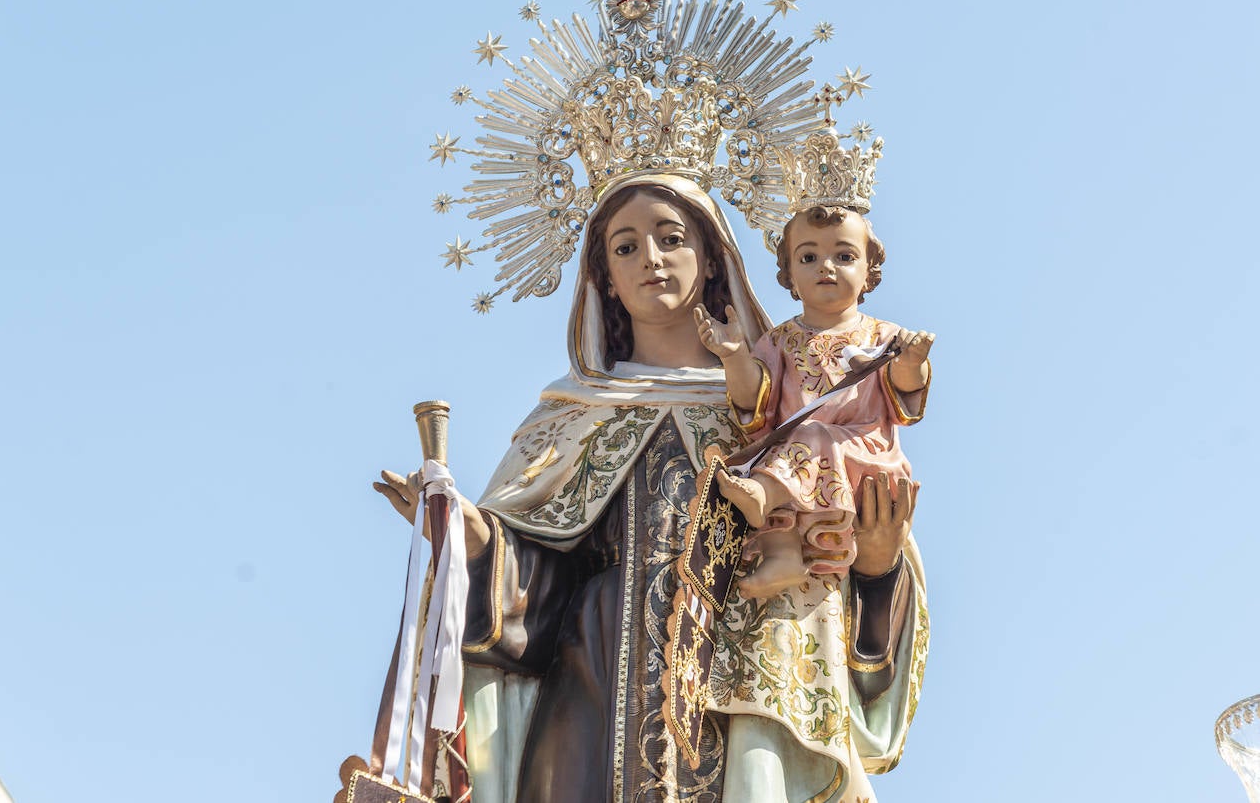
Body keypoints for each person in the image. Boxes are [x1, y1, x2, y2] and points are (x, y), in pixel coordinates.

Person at [374, 174, 929, 803]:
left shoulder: (771, 413)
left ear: (712, 258)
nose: (651, 259)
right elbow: (535, 593)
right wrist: (472, 538)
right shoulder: (574, 416)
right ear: (604, 275)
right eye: (626, 247)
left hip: (741, 699)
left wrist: (879, 569)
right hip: (594, 696)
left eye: (671, 238)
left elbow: (834, 571)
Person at [695, 206, 935, 599]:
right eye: (809, 258)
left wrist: (912, 362)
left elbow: (905, 395)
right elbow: (756, 403)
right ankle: (784, 557)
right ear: (789, 275)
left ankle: (763, 494)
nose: (827, 267)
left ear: (869, 272)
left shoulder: (884, 336)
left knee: (809, 441)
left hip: (865, 456)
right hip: (796, 456)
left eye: (844, 256)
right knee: (784, 451)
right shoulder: (779, 339)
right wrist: (734, 354)